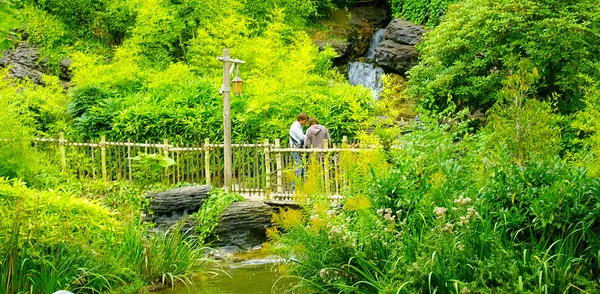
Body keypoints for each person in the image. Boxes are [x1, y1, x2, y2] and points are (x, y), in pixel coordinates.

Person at [289, 112, 308, 190]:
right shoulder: (296, 126)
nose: (305, 123)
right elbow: (301, 137)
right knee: (299, 168)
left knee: (302, 168)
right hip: (295, 149)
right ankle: (294, 188)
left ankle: (300, 187)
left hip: (297, 148)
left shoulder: (298, 125)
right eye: (305, 121)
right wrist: (309, 135)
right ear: (300, 120)